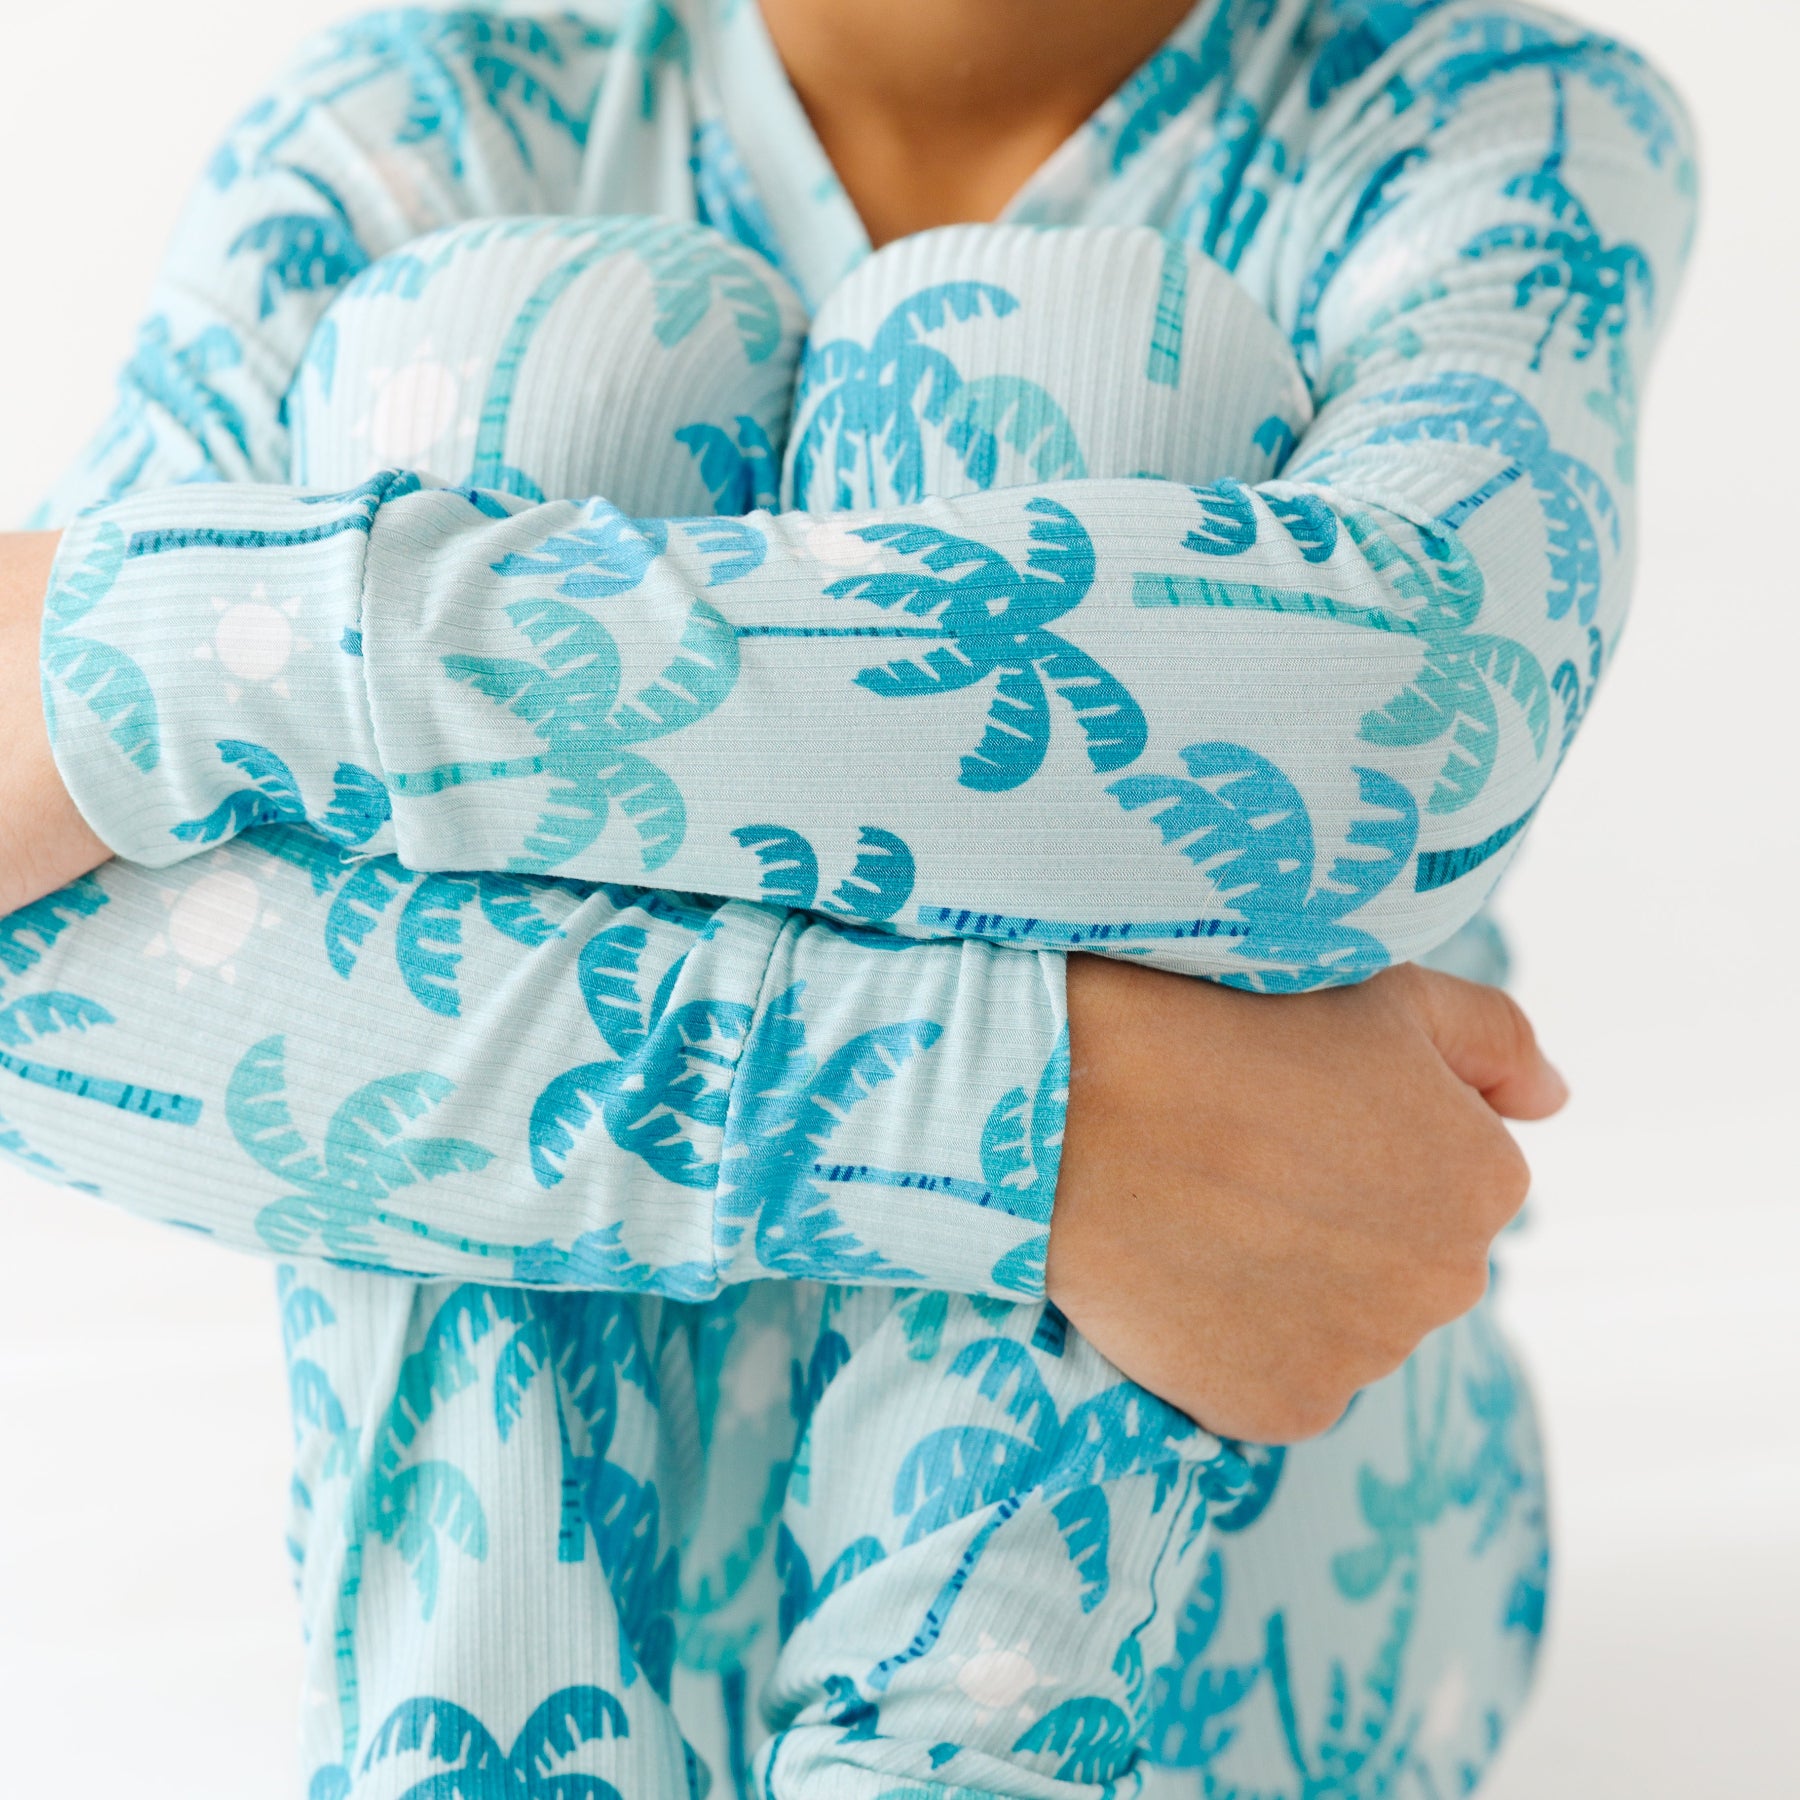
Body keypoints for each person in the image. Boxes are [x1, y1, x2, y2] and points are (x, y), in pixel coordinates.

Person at [0, 1, 1694, 1794]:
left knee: (1078, 359)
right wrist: (1038, 1130)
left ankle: (973, 1759)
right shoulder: (424, 114)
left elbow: (1404, 719)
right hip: (704, 1531)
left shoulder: (1488, 119)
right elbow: (32, 955)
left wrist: (195, 642)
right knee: (524, 343)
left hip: (1248, 1600)